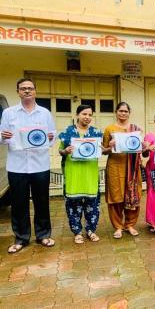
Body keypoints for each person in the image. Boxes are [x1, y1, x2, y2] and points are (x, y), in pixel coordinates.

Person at [0, 78, 56, 253]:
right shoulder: (9, 113)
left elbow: (53, 135)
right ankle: (21, 238)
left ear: (35, 91)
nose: (26, 91)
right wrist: (4, 136)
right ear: (18, 91)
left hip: (40, 165)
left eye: (30, 88)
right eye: (23, 88)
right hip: (17, 166)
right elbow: (1, 137)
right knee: (18, 203)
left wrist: (50, 138)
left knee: (41, 201)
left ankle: (43, 234)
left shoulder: (44, 113)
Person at [58, 104, 102, 244]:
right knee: (73, 205)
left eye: (90, 115)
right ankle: (77, 232)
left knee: (93, 204)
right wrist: (65, 151)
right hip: (73, 174)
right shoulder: (68, 132)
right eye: (84, 114)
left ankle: (91, 230)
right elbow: (60, 150)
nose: (87, 117)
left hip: (90, 174)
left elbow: (103, 150)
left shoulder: (96, 133)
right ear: (77, 115)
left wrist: (110, 146)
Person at [103, 102, 143, 239]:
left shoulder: (136, 129)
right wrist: (110, 146)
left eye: (126, 111)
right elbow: (104, 151)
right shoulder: (109, 129)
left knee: (133, 194)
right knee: (116, 197)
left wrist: (144, 144)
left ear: (129, 113)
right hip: (115, 167)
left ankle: (130, 225)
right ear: (116, 112)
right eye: (121, 111)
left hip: (132, 168)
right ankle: (118, 227)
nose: (123, 113)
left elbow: (141, 149)